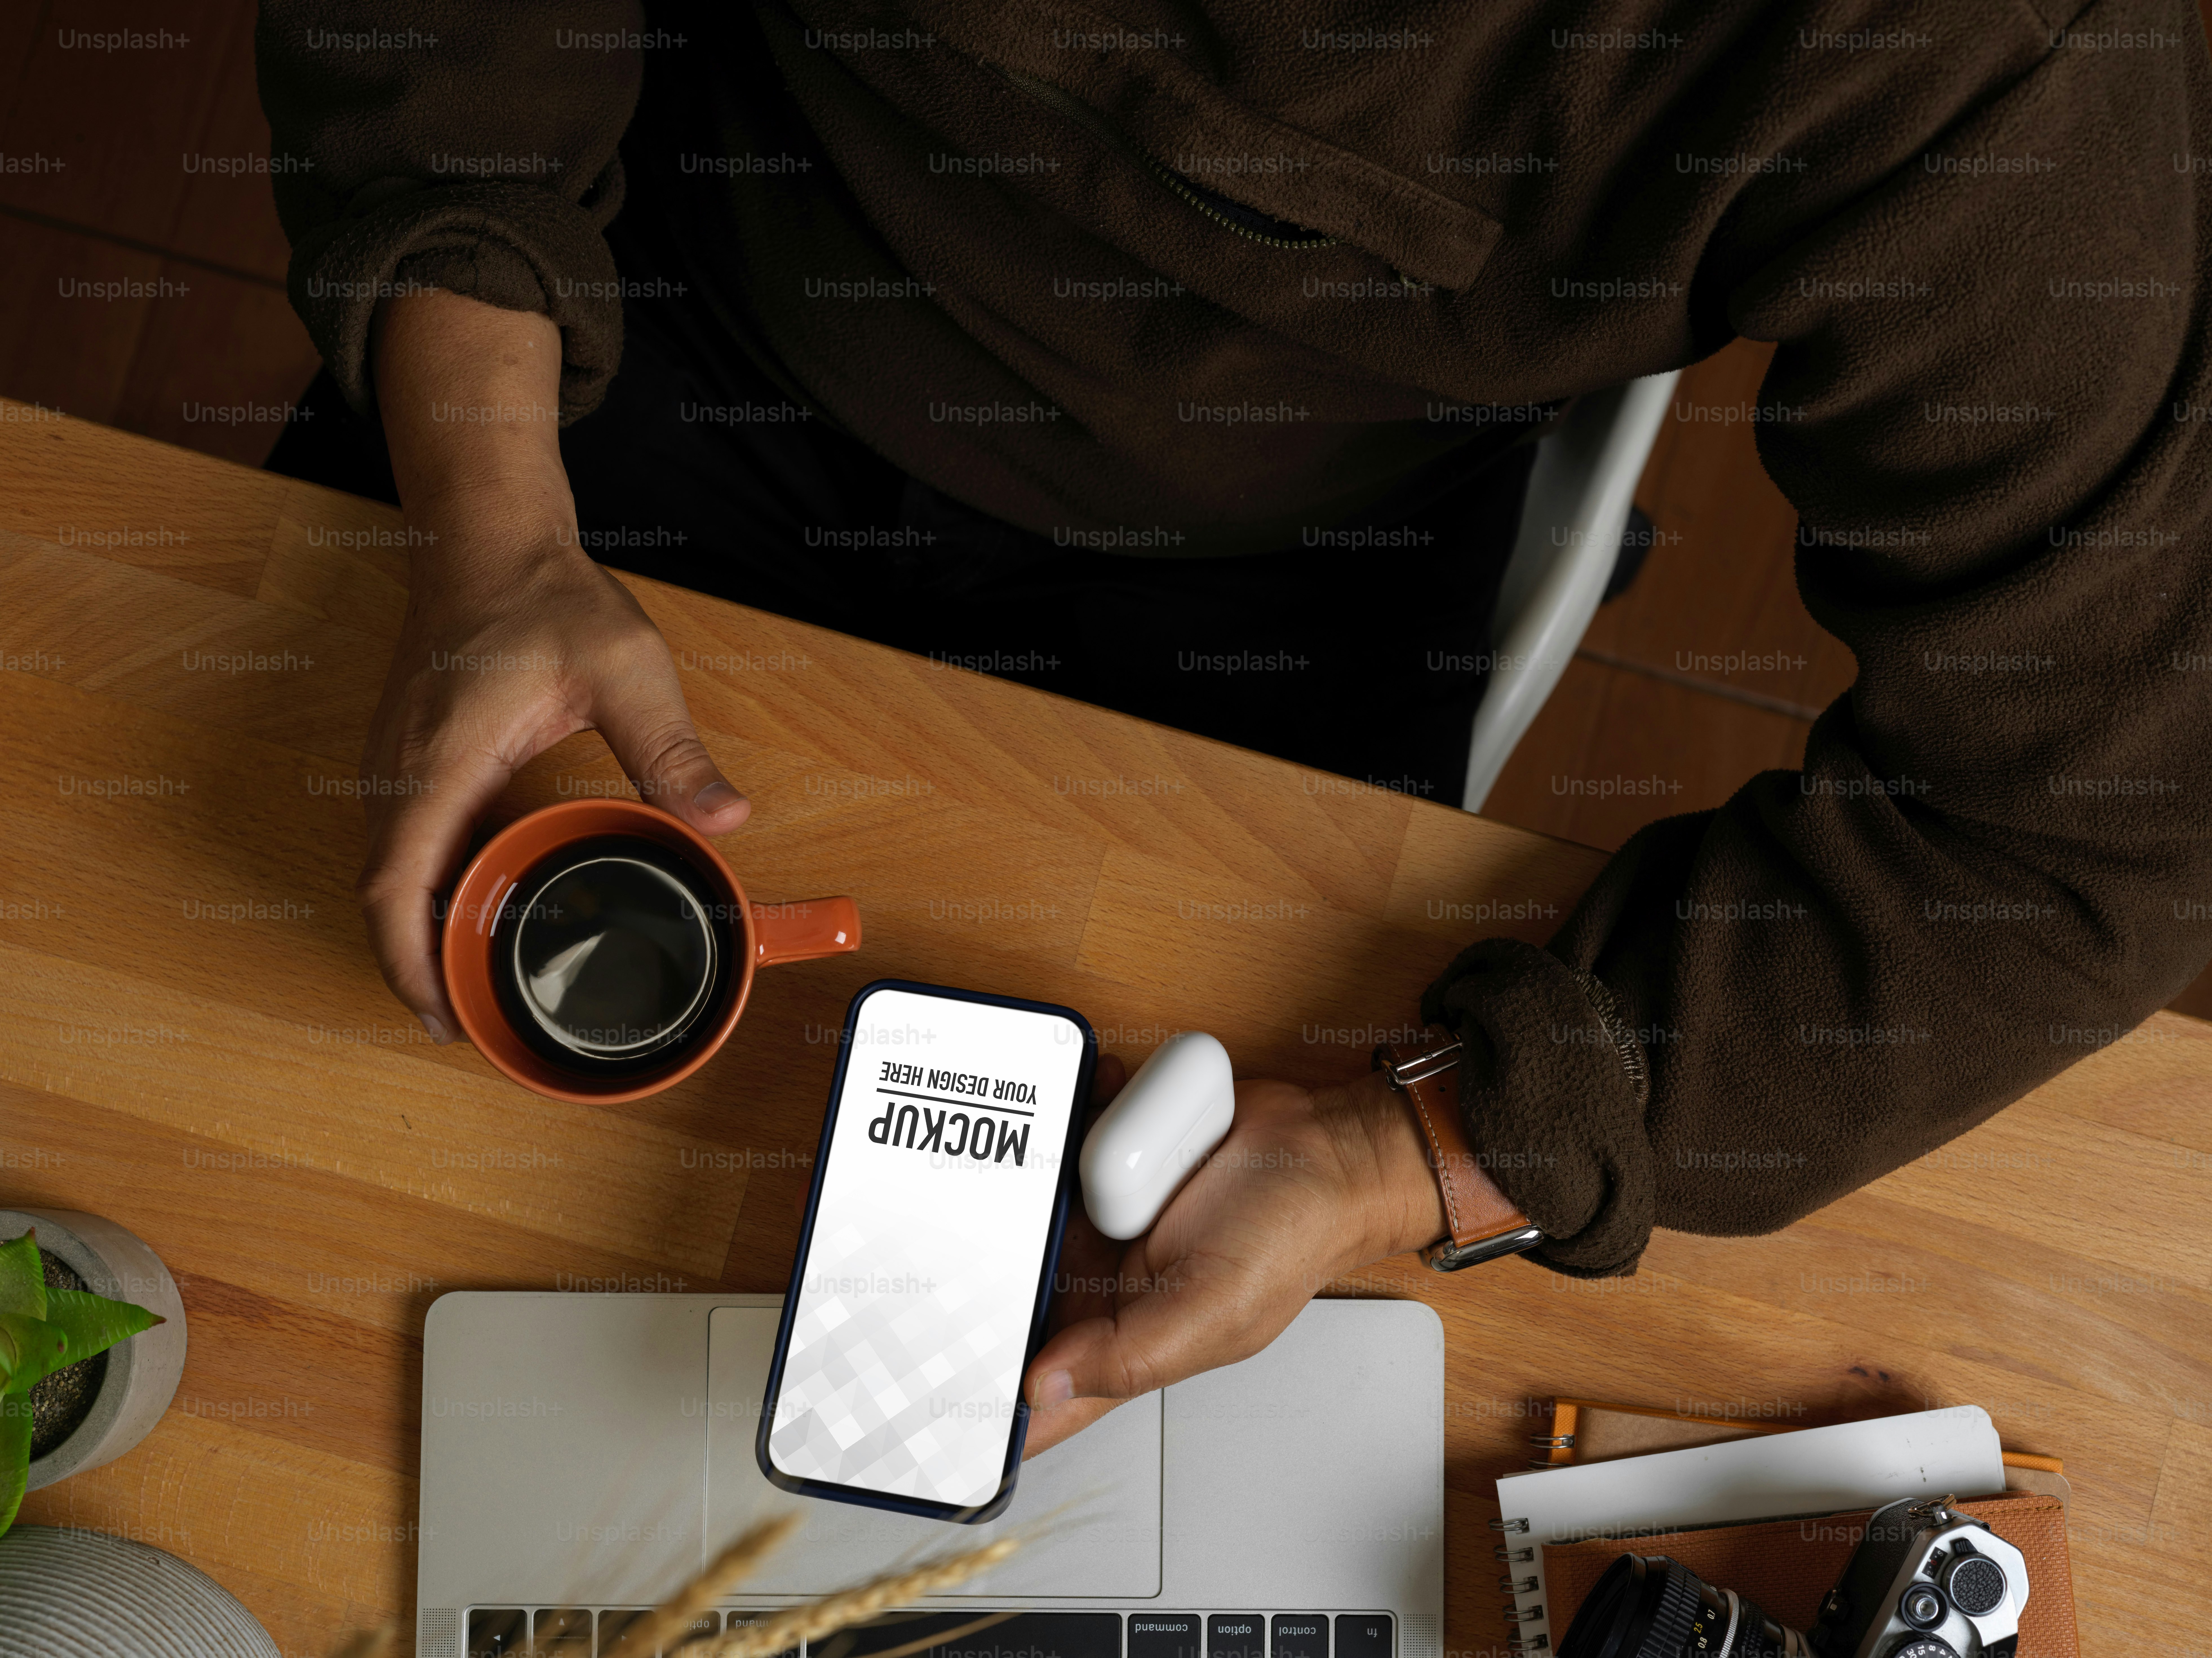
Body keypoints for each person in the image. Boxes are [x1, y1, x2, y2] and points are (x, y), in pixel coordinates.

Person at [258, 0, 2212, 1458]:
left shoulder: (1996, 57)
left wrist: (1410, 1156)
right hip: (637, 305)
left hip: (1291, 565)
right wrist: (495, 505)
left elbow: (2093, 832)